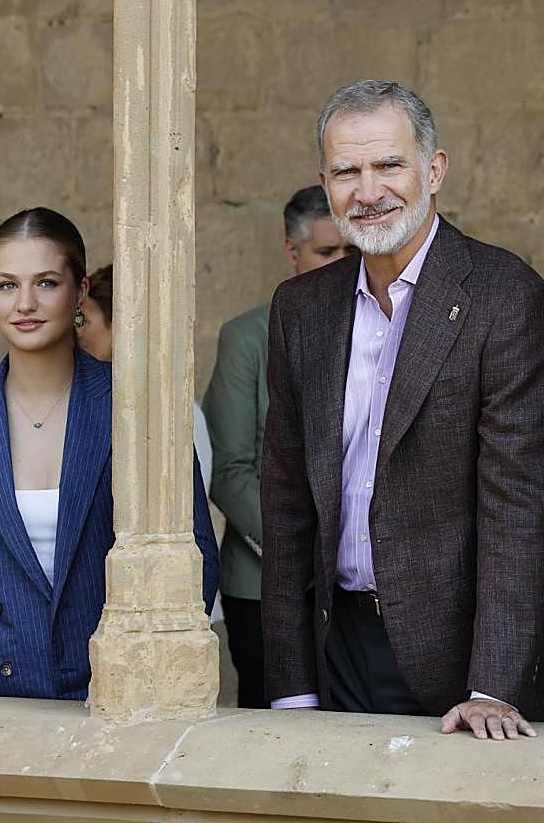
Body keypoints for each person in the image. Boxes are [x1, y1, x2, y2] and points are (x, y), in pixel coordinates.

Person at [261, 80, 544, 740]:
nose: (368, 191)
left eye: (388, 165)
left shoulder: (508, 299)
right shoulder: (300, 310)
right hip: (335, 650)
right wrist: (291, 688)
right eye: (346, 171)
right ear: (325, 181)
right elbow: (287, 505)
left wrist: (493, 689)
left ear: (434, 170)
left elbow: (523, 507)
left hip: (463, 667)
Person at [0, 208, 219, 700]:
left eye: (46, 283)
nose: (25, 303)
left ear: (80, 291)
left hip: (116, 686)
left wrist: (151, 668)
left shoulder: (135, 405)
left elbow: (192, 549)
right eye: (7, 285)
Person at [201, 185, 356, 709]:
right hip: (265, 580)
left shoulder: (380, 327)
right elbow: (230, 468)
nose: (341, 263)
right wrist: (309, 547)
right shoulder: (249, 336)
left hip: (358, 585)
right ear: (292, 253)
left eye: (351, 251)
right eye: (326, 252)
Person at [77, 264, 214, 493]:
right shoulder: (79, 400)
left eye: (85, 322)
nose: (78, 332)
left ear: (121, 326)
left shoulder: (179, 411)